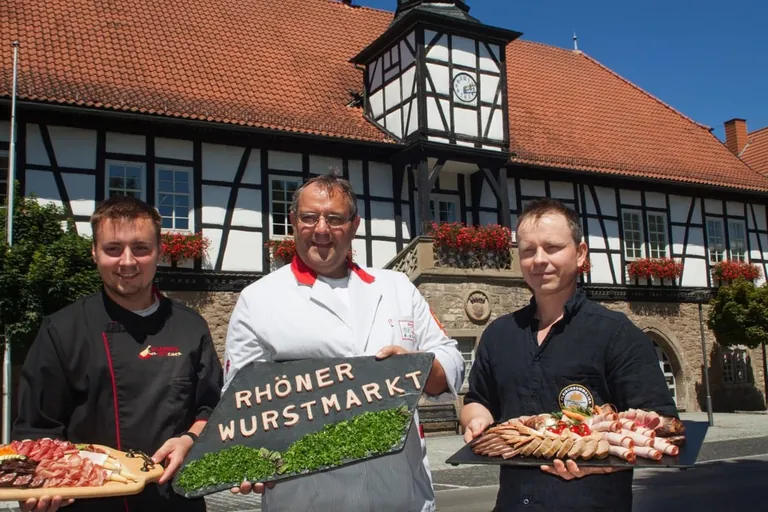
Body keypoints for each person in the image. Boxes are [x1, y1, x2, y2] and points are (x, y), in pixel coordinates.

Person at [223, 172, 465, 512]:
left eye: (335, 219)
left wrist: (418, 367)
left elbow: (451, 358)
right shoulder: (258, 300)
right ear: (293, 222)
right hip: (307, 501)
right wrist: (247, 457)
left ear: (354, 225)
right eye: (309, 217)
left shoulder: (396, 287)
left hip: (402, 496)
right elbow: (237, 403)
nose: (321, 229)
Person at [460, 198, 678, 512]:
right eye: (528, 250)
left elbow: (664, 423)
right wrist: (477, 421)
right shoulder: (499, 334)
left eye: (552, 247)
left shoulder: (615, 333)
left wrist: (602, 462)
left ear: (580, 254)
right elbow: (477, 400)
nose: (539, 260)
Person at [12, 196, 223, 512]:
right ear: (94, 253)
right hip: (85, 502)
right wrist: (40, 484)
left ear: (159, 252)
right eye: (113, 249)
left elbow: (213, 409)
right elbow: (36, 430)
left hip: (173, 500)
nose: (127, 261)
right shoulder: (61, 330)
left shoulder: (190, 327)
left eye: (141, 248)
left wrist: (189, 440)